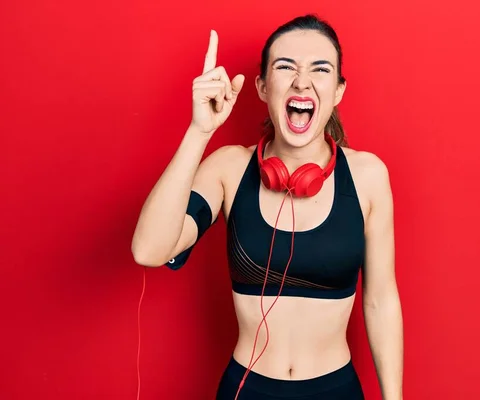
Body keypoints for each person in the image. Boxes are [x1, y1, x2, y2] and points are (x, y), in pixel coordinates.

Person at [131, 14, 403, 400]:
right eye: (285, 67)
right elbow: (149, 250)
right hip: (247, 387)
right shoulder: (228, 167)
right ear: (262, 86)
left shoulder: (368, 176)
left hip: (336, 389)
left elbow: (380, 301)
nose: (302, 81)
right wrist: (200, 131)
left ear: (339, 90)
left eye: (320, 69)